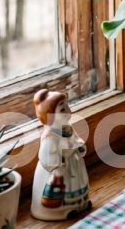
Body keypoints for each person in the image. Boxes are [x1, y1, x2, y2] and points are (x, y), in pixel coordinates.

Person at [31, 89, 92, 220]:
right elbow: (46, 155)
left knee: (78, 182)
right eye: (62, 109)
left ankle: (81, 203)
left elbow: (75, 139)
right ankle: (64, 209)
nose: (68, 111)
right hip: (61, 167)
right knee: (65, 188)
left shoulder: (68, 128)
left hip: (74, 163)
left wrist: (79, 145)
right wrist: (56, 166)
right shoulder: (50, 136)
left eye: (67, 106)